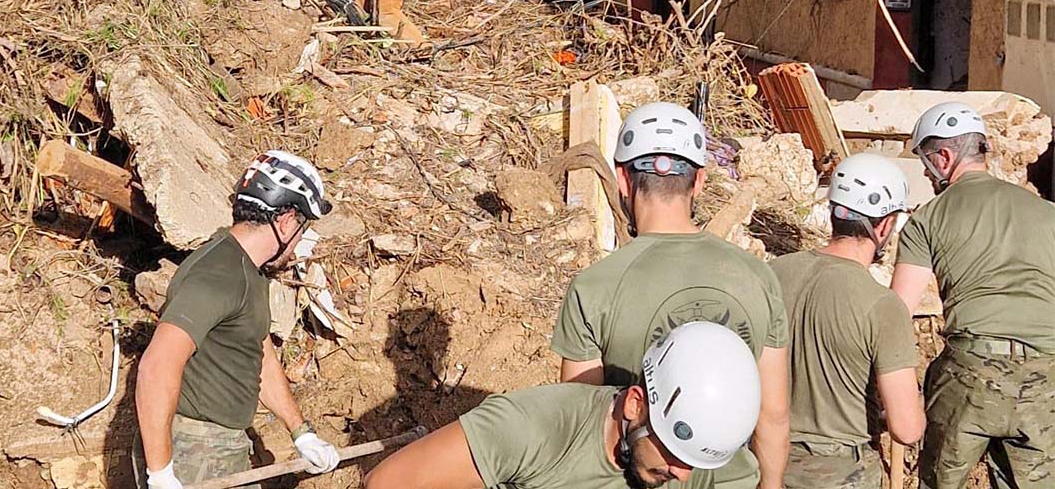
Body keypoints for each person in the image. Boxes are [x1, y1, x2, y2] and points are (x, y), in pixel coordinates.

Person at [552, 102, 790, 489]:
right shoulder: (758, 277)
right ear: (699, 181)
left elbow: (579, 421)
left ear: (622, 180)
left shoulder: (595, 286)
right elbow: (774, 413)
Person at [133, 151, 341, 489]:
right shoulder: (217, 275)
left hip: (220, 450)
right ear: (286, 221)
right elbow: (156, 367)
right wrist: (161, 474)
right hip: (195, 454)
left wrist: (301, 432)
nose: (300, 241)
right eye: (302, 229)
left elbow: (256, 352)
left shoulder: (248, 270)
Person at [365, 322, 762, 489]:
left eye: (694, 463)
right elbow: (388, 484)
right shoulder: (534, 429)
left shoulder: (702, 459)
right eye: (674, 455)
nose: (683, 475)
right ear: (635, 405)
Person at [890, 102, 1055, 489]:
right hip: (1045, 377)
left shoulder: (929, 218)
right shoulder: (1048, 213)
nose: (928, 174)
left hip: (970, 372)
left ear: (944, 157)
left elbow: (896, 313)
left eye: (927, 162)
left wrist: (891, 392)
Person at [771, 153, 925, 489]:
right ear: (885, 225)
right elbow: (907, 428)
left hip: (766, 460)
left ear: (833, 213)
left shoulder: (772, 275)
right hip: (839, 472)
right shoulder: (882, 305)